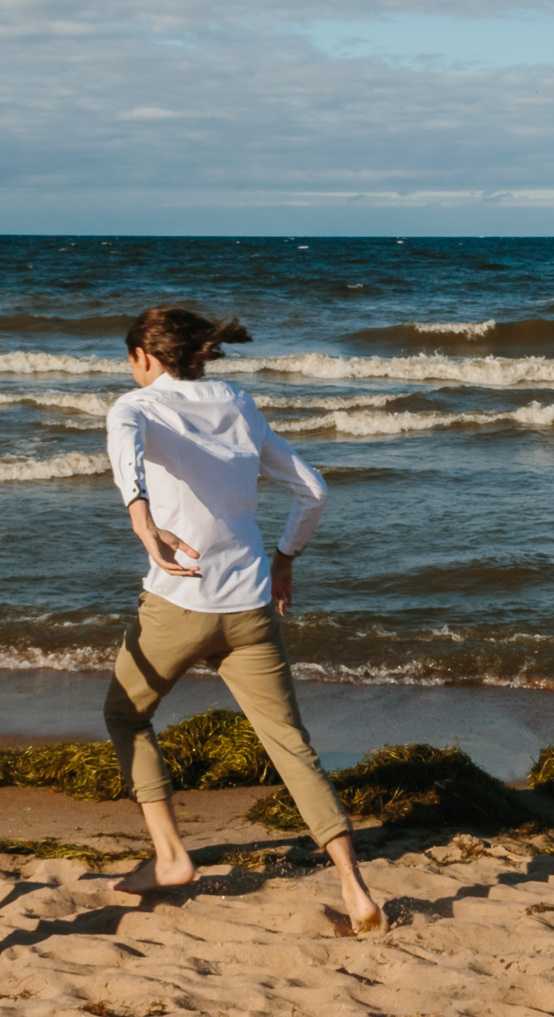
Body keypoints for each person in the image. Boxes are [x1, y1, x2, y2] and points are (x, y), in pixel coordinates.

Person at [101, 304, 386, 935]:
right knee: (292, 746)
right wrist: (284, 559)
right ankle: (356, 890)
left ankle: (171, 855)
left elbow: (129, 458)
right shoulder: (239, 402)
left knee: (125, 714)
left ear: (145, 358)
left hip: (178, 606)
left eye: (131, 360)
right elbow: (313, 490)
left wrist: (143, 523)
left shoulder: (134, 406)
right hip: (251, 606)